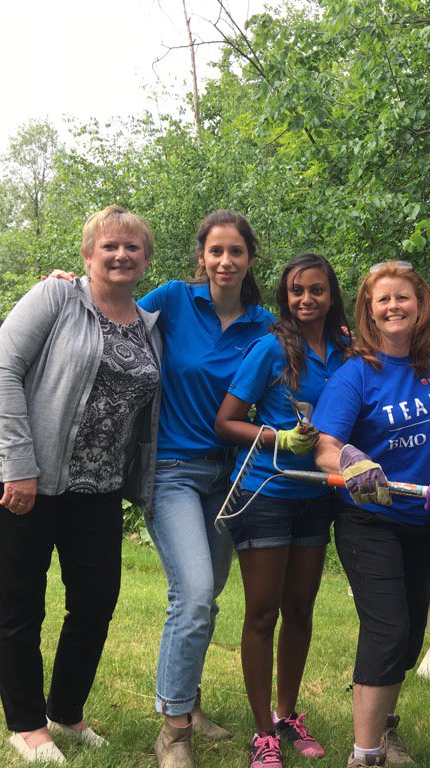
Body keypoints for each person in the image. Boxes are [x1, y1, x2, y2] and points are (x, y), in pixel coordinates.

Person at [0, 206, 162, 764]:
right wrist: (19, 465)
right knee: (21, 604)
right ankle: (27, 725)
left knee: (96, 602)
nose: (121, 255)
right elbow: (1, 371)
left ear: (147, 258)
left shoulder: (150, 323)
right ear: (87, 254)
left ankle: (66, 712)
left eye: (132, 247)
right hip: (24, 478)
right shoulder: (55, 297)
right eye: (109, 246)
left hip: (98, 488)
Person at [138, 210, 275, 768]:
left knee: (207, 594)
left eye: (235, 251)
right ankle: (174, 731)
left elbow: (311, 356)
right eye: (216, 251)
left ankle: (188, 701)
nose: (225, 261)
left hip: (230, 477)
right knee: (193, 594)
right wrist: (67, 287)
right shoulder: (173, 300)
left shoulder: (264, 325)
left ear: (250, 259)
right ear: (201, 256)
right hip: (171, 470)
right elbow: (108, 313)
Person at [214, 254, 352, 768]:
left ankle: (288, 714)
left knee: (300, 610)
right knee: (262, 612)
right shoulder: (270, 348)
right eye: (297, 291)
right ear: (285, 297)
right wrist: (278, 437)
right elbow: (226, 421)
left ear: (332, 295)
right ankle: (261, 732)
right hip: (265, 492)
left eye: (316, 290)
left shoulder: (347, 352)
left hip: (315, 497)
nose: (306, 299)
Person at [310, 261, 430, 768]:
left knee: (407, 637)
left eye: (402, 297)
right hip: (369, 520)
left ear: (420, 303)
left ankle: (386, 731)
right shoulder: (357, 374)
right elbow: (324, 447)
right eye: (382, 299)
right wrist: (350, 459)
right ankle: (364, 756)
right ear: (369, 310)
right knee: (387, 630)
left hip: (421, 518)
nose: (393, 307)